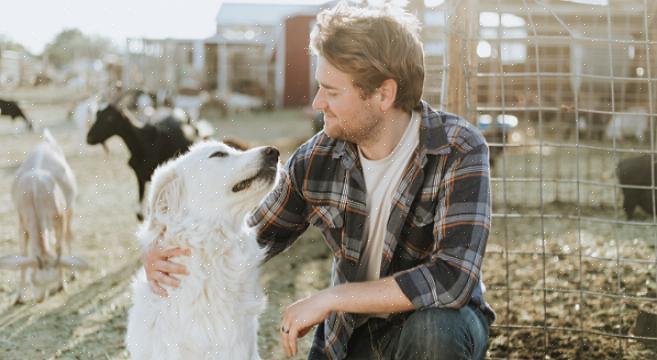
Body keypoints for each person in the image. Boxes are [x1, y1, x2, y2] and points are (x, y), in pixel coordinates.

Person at [143, 2, 495, 359]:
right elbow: (250, 234)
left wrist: (333, 298)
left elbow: (452, 278)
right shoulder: (317, 159)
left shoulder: (457, 149)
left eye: (332, 91)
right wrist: (161, 253)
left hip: (432, 330)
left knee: (434, 330)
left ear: (383, 95)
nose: (316, 102)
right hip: (350, 337)